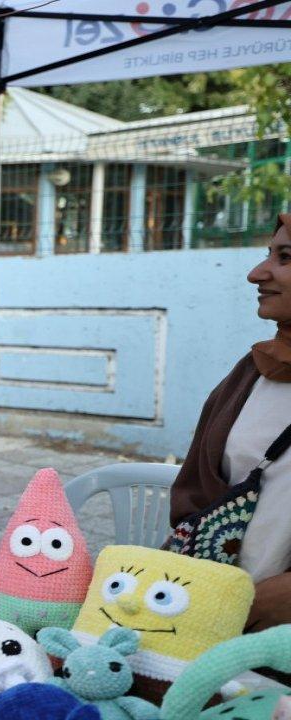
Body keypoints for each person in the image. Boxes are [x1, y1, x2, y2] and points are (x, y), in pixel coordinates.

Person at [170, 211, 291, 634]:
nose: (257, 274)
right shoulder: (253, 373)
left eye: (286, 257)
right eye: (268, 255)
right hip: (216, 622)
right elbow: (194, 498)